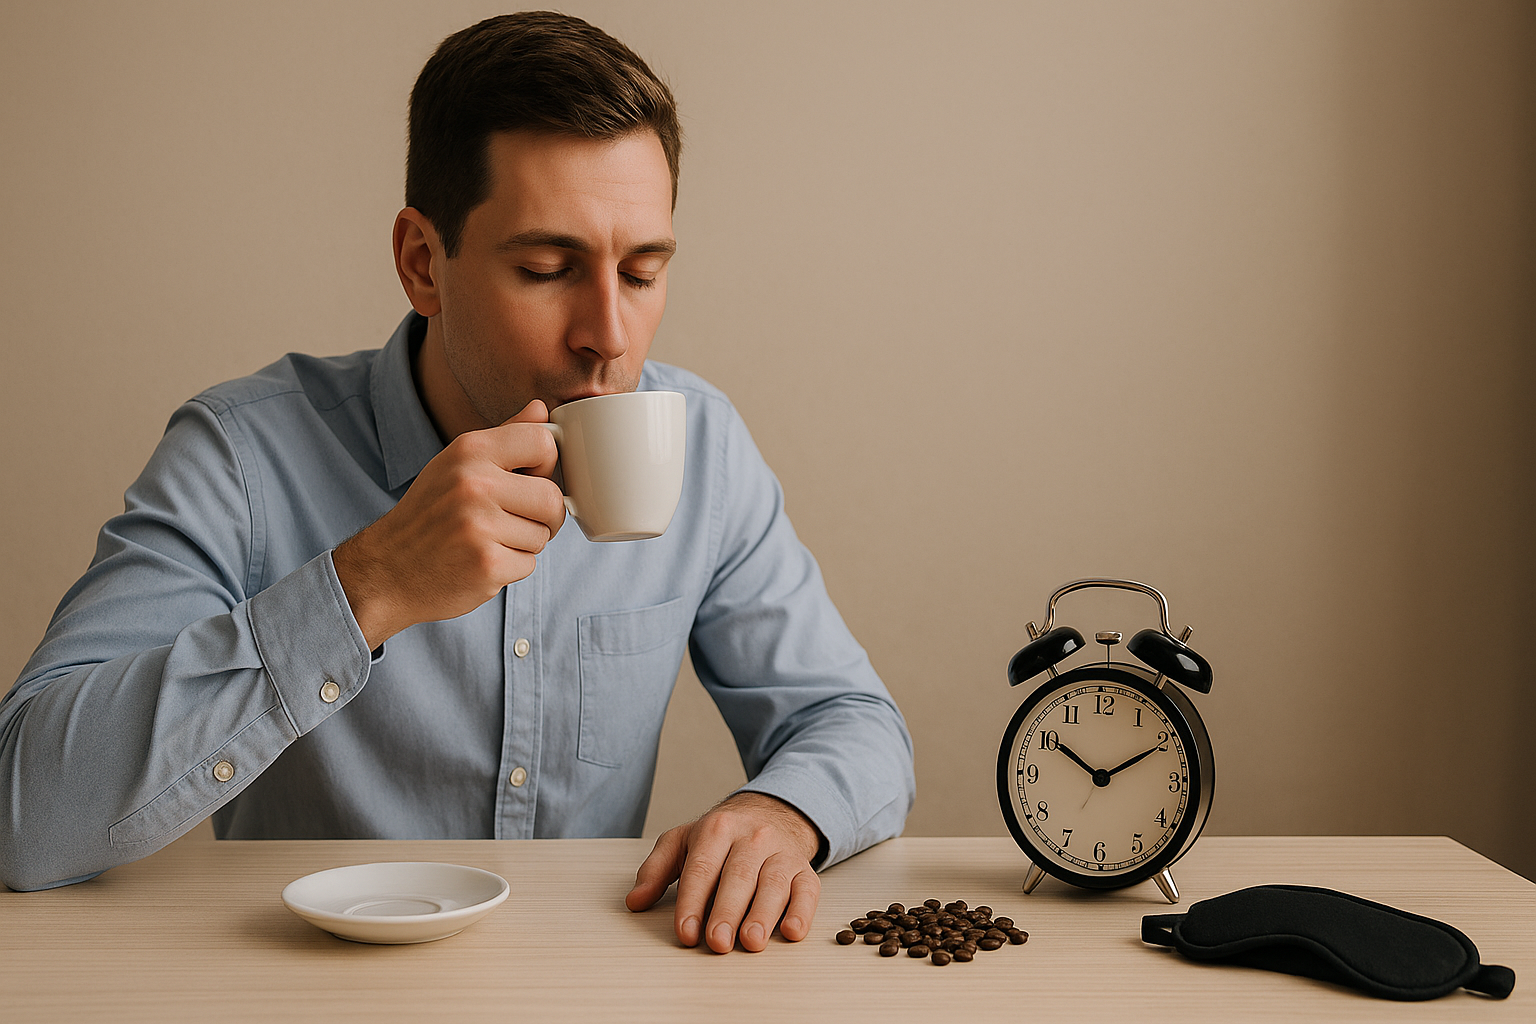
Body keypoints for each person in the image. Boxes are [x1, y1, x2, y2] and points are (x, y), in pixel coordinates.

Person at [0, 12, 914, 953]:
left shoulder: (705, 447)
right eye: (549, 268)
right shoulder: (242, 455)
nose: (609, 332)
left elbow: (852, 722)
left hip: (582, 988)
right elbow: (23, 817)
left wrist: (783, 811)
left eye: (642, 271)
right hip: (303, 988)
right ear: (422, 263)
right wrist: (369, 587)